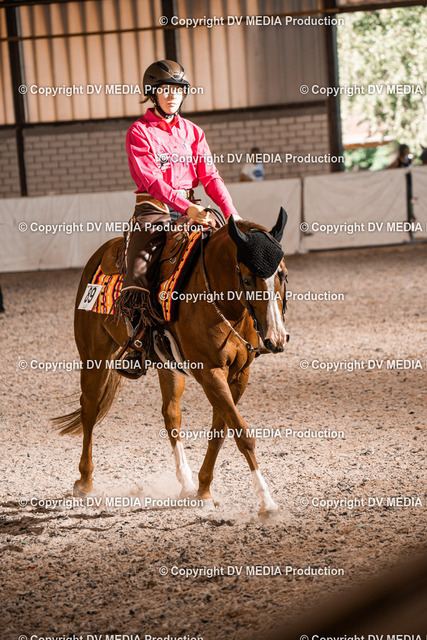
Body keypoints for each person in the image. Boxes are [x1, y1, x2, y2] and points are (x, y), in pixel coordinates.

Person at [116, 60, 240, 376]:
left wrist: (231, 215)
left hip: (190, 206)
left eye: (178, 90)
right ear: (152, 93)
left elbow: (210, 176)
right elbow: (152, 180)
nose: (173, 96)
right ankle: (137, 341)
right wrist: (186, 208)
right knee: (140, 268)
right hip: (154, 209)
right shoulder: (139, 132)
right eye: (165, 90)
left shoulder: (193, 132)